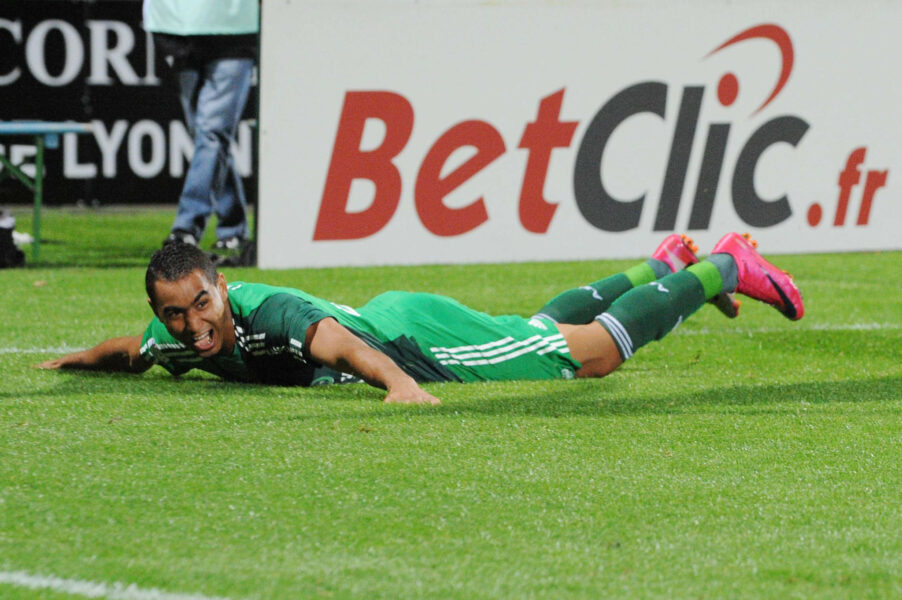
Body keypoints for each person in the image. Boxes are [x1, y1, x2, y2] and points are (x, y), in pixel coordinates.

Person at [38, 233, 804, 406]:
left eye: (202, 304)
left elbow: (333, 341)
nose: (193, 326)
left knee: (593, 355)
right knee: (534, 326)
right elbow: (128, 350)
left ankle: (726, 265)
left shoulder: (267, 312)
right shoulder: (181, 341)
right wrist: (74, 359)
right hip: (398, 320)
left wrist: (400, 385)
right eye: (176, 315)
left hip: (412, 340)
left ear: (223, 287)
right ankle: (661, 266)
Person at [143, 0, 258, 256]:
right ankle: (233, 227)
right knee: (206, 136)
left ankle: (186, 228)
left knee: (211, 134)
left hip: (234, 28)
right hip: (177, 26)